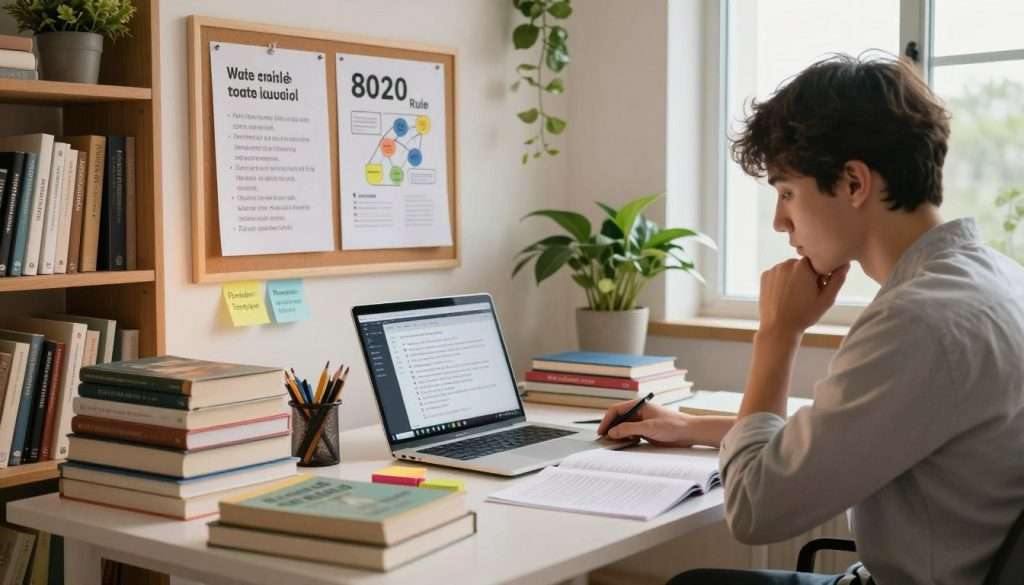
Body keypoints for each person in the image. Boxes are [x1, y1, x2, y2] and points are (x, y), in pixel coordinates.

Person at [597, 54, 1024, 585]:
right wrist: (692, 428)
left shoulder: (918, 321)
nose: (780, 222)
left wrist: (777, 335)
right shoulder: (994, 280)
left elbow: (755, 508)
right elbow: (853, 434)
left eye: (786, 193)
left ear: (853, 183)